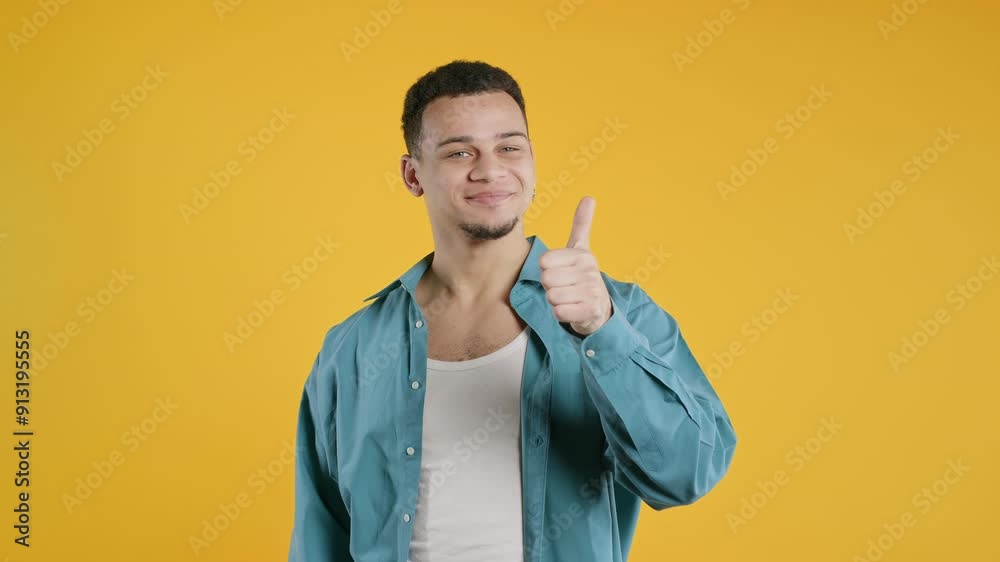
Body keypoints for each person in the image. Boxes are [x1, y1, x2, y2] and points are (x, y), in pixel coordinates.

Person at [288, 60, 737, 562]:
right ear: (413, 174)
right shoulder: (351, 348)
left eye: (509, 146)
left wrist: (602, 332)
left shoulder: (619, 315)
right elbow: (320, 533)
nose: (490, 169)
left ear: (531, 160)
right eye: (460, 151)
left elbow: (686, 475)